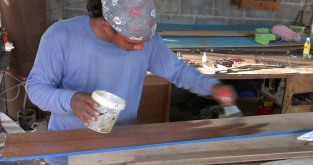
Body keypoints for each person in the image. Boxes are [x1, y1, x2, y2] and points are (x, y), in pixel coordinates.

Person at [25, 0, 238, 164]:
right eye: (131, 42)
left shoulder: (147, 41)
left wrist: (213, 87)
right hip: (67, 150)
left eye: (143, 42)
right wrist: (70, 99)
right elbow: (35, 88)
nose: (139, 48)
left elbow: (178, 71)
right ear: (107, 26)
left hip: (121, 144)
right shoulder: (60, 36)